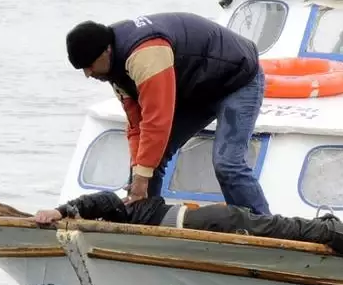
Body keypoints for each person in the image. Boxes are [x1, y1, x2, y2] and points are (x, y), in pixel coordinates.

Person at [66, 13, 271, 215]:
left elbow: (157, 121)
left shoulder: (145, 55)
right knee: (145, 163)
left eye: (88, 65)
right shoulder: (112, 70)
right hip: (197, 87)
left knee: (227, 163)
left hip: (237, 79)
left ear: (106, 51)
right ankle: (145, 220)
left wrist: (142, 176)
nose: (88, 74)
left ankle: (262, 226)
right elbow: (137, 126)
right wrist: (138, 174)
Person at [34, 191, 343, 285]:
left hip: (218, 223)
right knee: (302, 228)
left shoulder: (116, 210)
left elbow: (100, 200)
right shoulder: (120, 218)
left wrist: (63, 208)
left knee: (311, 232)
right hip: (213, 221)